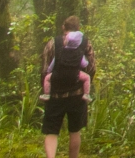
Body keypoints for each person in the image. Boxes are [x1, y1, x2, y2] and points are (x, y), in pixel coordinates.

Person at [40, 16, 96, 158]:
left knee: (52, 132)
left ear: (63, 27)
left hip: (55, 95)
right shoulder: (85, 43)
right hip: (77, 95)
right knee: (75, 131)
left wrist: (46, 89)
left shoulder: (53, 43)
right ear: (78, 29)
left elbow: (45, 69)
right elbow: (91, 68)